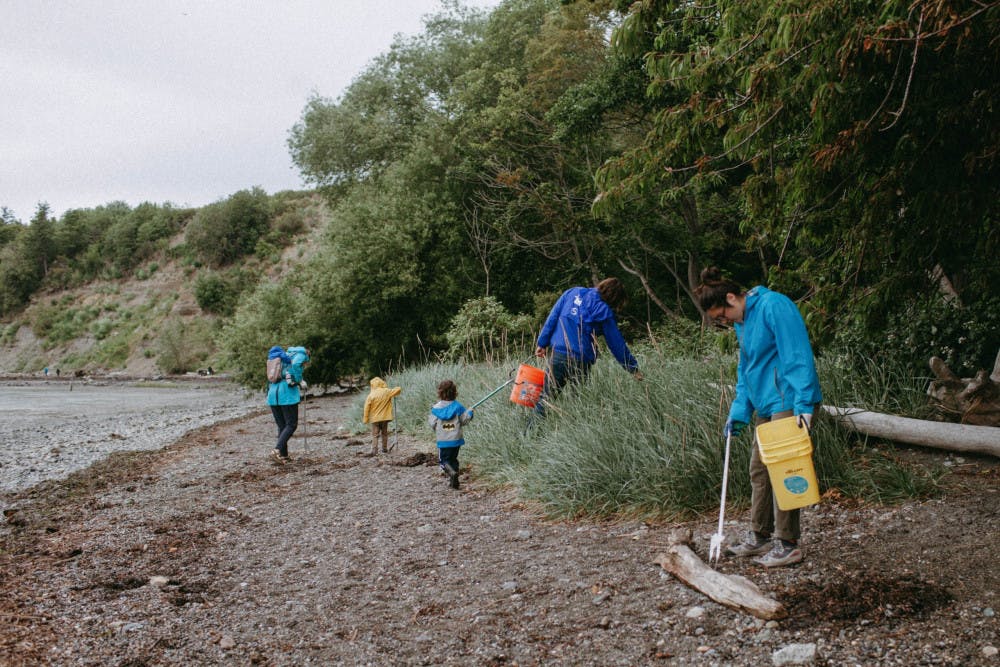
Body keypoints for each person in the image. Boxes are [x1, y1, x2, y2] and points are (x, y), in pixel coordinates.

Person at [695, 267, 822, 567]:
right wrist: (739, 412)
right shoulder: (743, 322)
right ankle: (760, 536)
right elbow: (747, 370)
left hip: (790, 399)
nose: (723, 323)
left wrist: (804, 403)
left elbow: (796, 353)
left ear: (731, 298)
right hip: (765, 402)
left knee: (784, 470)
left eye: (721, 316)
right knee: (759, 470)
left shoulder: (773, 306)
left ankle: (788, 543)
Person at [534, 277, 642, 415]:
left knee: (545, 400)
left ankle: (529, 434)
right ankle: (575, 432)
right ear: (615, 298)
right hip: (581, 361)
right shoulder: (605, 311)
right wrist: (633, 368)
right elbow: (617, 344)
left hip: (558, 355)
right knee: (578, 406)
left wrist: (542, 343)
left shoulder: (572, 292)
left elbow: (553, 317)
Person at [266, 345, 310, 464]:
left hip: (273, 394)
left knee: (282, 426)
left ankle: (283, 455)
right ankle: (276, 450)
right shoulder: (301, 354)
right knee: (291, 424)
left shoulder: (282, 355)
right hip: (286, 394)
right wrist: (299, 380)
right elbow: (296, 365)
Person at [427, 379, 473, 490]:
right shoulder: (458, 407)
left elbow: (432, 423)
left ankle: (451, 473)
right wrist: (470, 412)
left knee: (443, 461)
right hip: (455, 440)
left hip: (443, 441)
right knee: (453, 459)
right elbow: (463, 421)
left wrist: (438, 429)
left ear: (440, 393)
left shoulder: (436, 408)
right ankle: (454, 482)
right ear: (454, 392)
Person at [363, 376, 402, 455]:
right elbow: (398, 390)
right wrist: (397, 387)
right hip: (385, 417)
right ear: (382, 383)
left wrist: (366, 419)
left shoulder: (371, 395)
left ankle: (374, 450)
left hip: (375, 419)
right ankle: (384, 449)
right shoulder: (387, 391)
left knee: (375, 435)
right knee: (384, 433)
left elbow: (366, 408)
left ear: (372, 385)